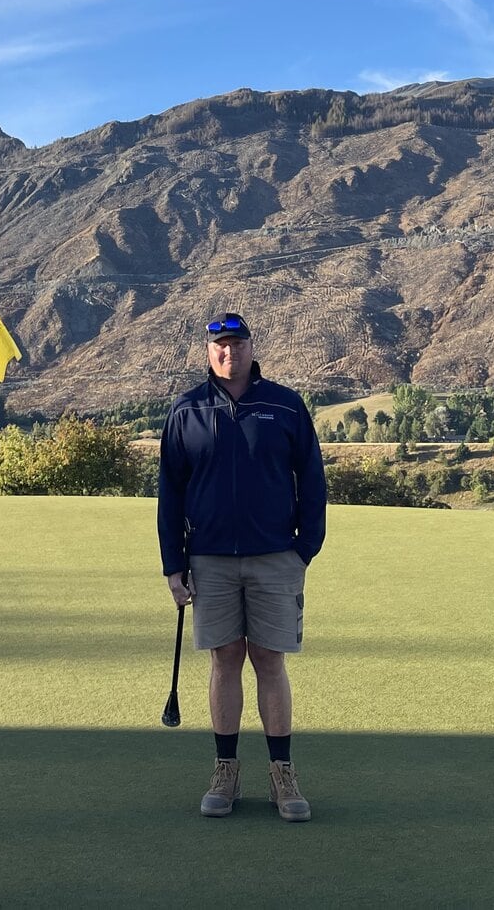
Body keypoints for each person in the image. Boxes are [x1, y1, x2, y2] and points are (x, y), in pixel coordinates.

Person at [157, 312, 326, 822]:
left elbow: (312, 479)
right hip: (209, 559)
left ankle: (282, 775)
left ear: (252, 346)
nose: (228, 352)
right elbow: (170, 491)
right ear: (208, 352)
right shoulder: (186, 410)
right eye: (219, 346)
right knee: (225, 660)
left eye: (236, 343)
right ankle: (225, 770)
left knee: (270, 662)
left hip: (276, 558)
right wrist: (173, 563)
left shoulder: (285, 405)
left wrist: (305, 548)